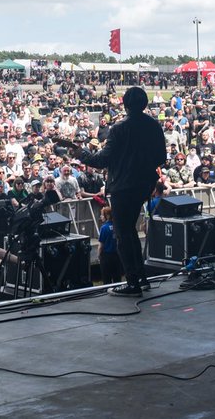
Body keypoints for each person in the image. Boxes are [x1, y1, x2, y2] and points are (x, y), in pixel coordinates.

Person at [58, 86, 167, 295]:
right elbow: (161, 157)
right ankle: (141, 278)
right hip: (144, 185)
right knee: (130, 232)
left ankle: (133, 283)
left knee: (123, 235)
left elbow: (101, 160)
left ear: (125, 104)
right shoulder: (153, 126)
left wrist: (80, 153)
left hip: (123, 187)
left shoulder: (119, 128)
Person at [98, 205, 122, 284]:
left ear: (107, 216)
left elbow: (101, 245)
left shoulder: (104, 228)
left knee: (106, 278)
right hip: (116, 255)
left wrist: (99, 255)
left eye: (102, 215)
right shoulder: (117, 225)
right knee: (117, 277)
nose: (101, 216)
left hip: (106, 256)